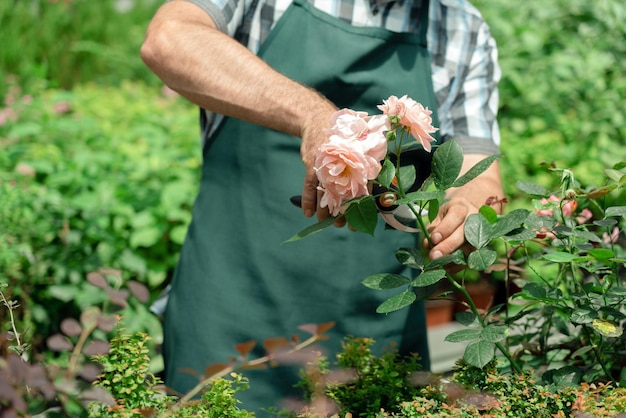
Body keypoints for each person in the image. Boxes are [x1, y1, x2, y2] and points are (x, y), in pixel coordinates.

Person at [141, 0, 504, 414]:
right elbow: (169, 39)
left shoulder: (462, 27)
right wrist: (311, 115)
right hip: (232, 322)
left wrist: (472, 211)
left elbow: (480, 173)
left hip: (377, 334)